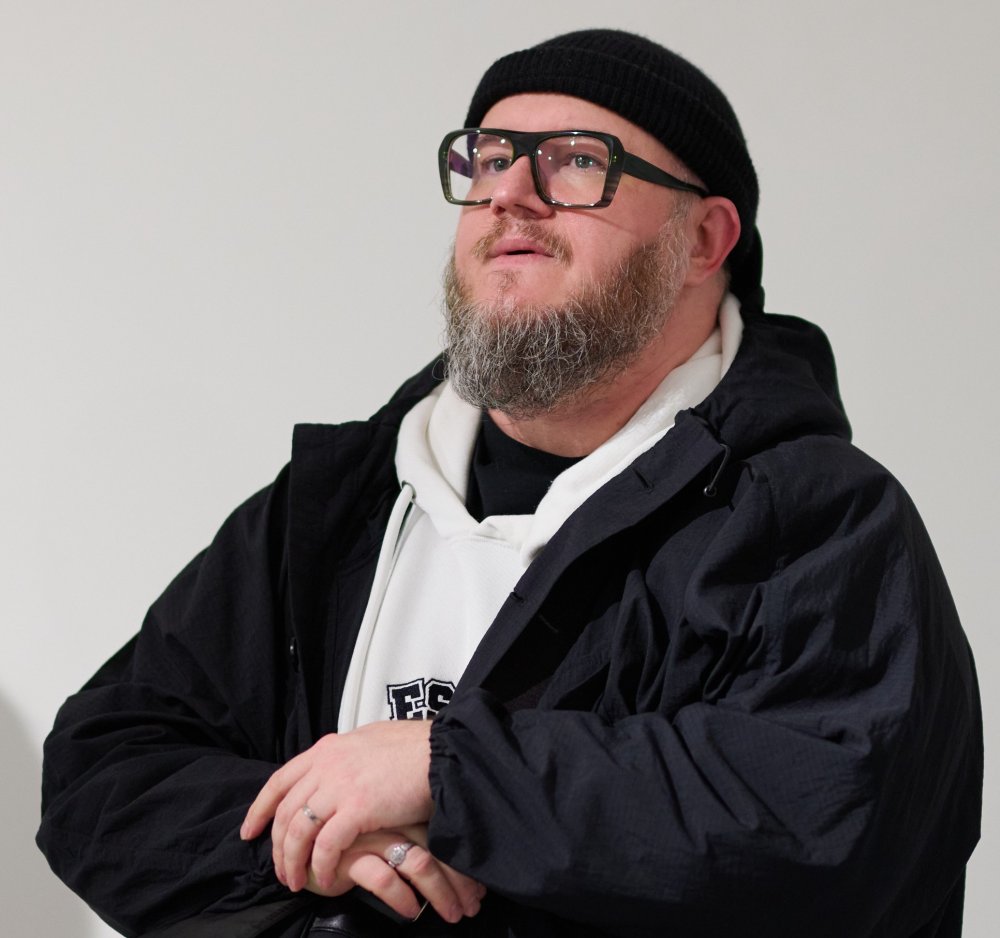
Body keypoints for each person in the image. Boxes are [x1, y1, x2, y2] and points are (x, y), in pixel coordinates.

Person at [37, 28, 982, 938]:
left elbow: (830, 823)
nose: (510, 195)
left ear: (704, 239)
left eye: (575, 161)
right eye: (488, 160)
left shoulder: (817, 521)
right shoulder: (342, 502)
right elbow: (104, 765)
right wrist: (330, 841)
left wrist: (448, 777)